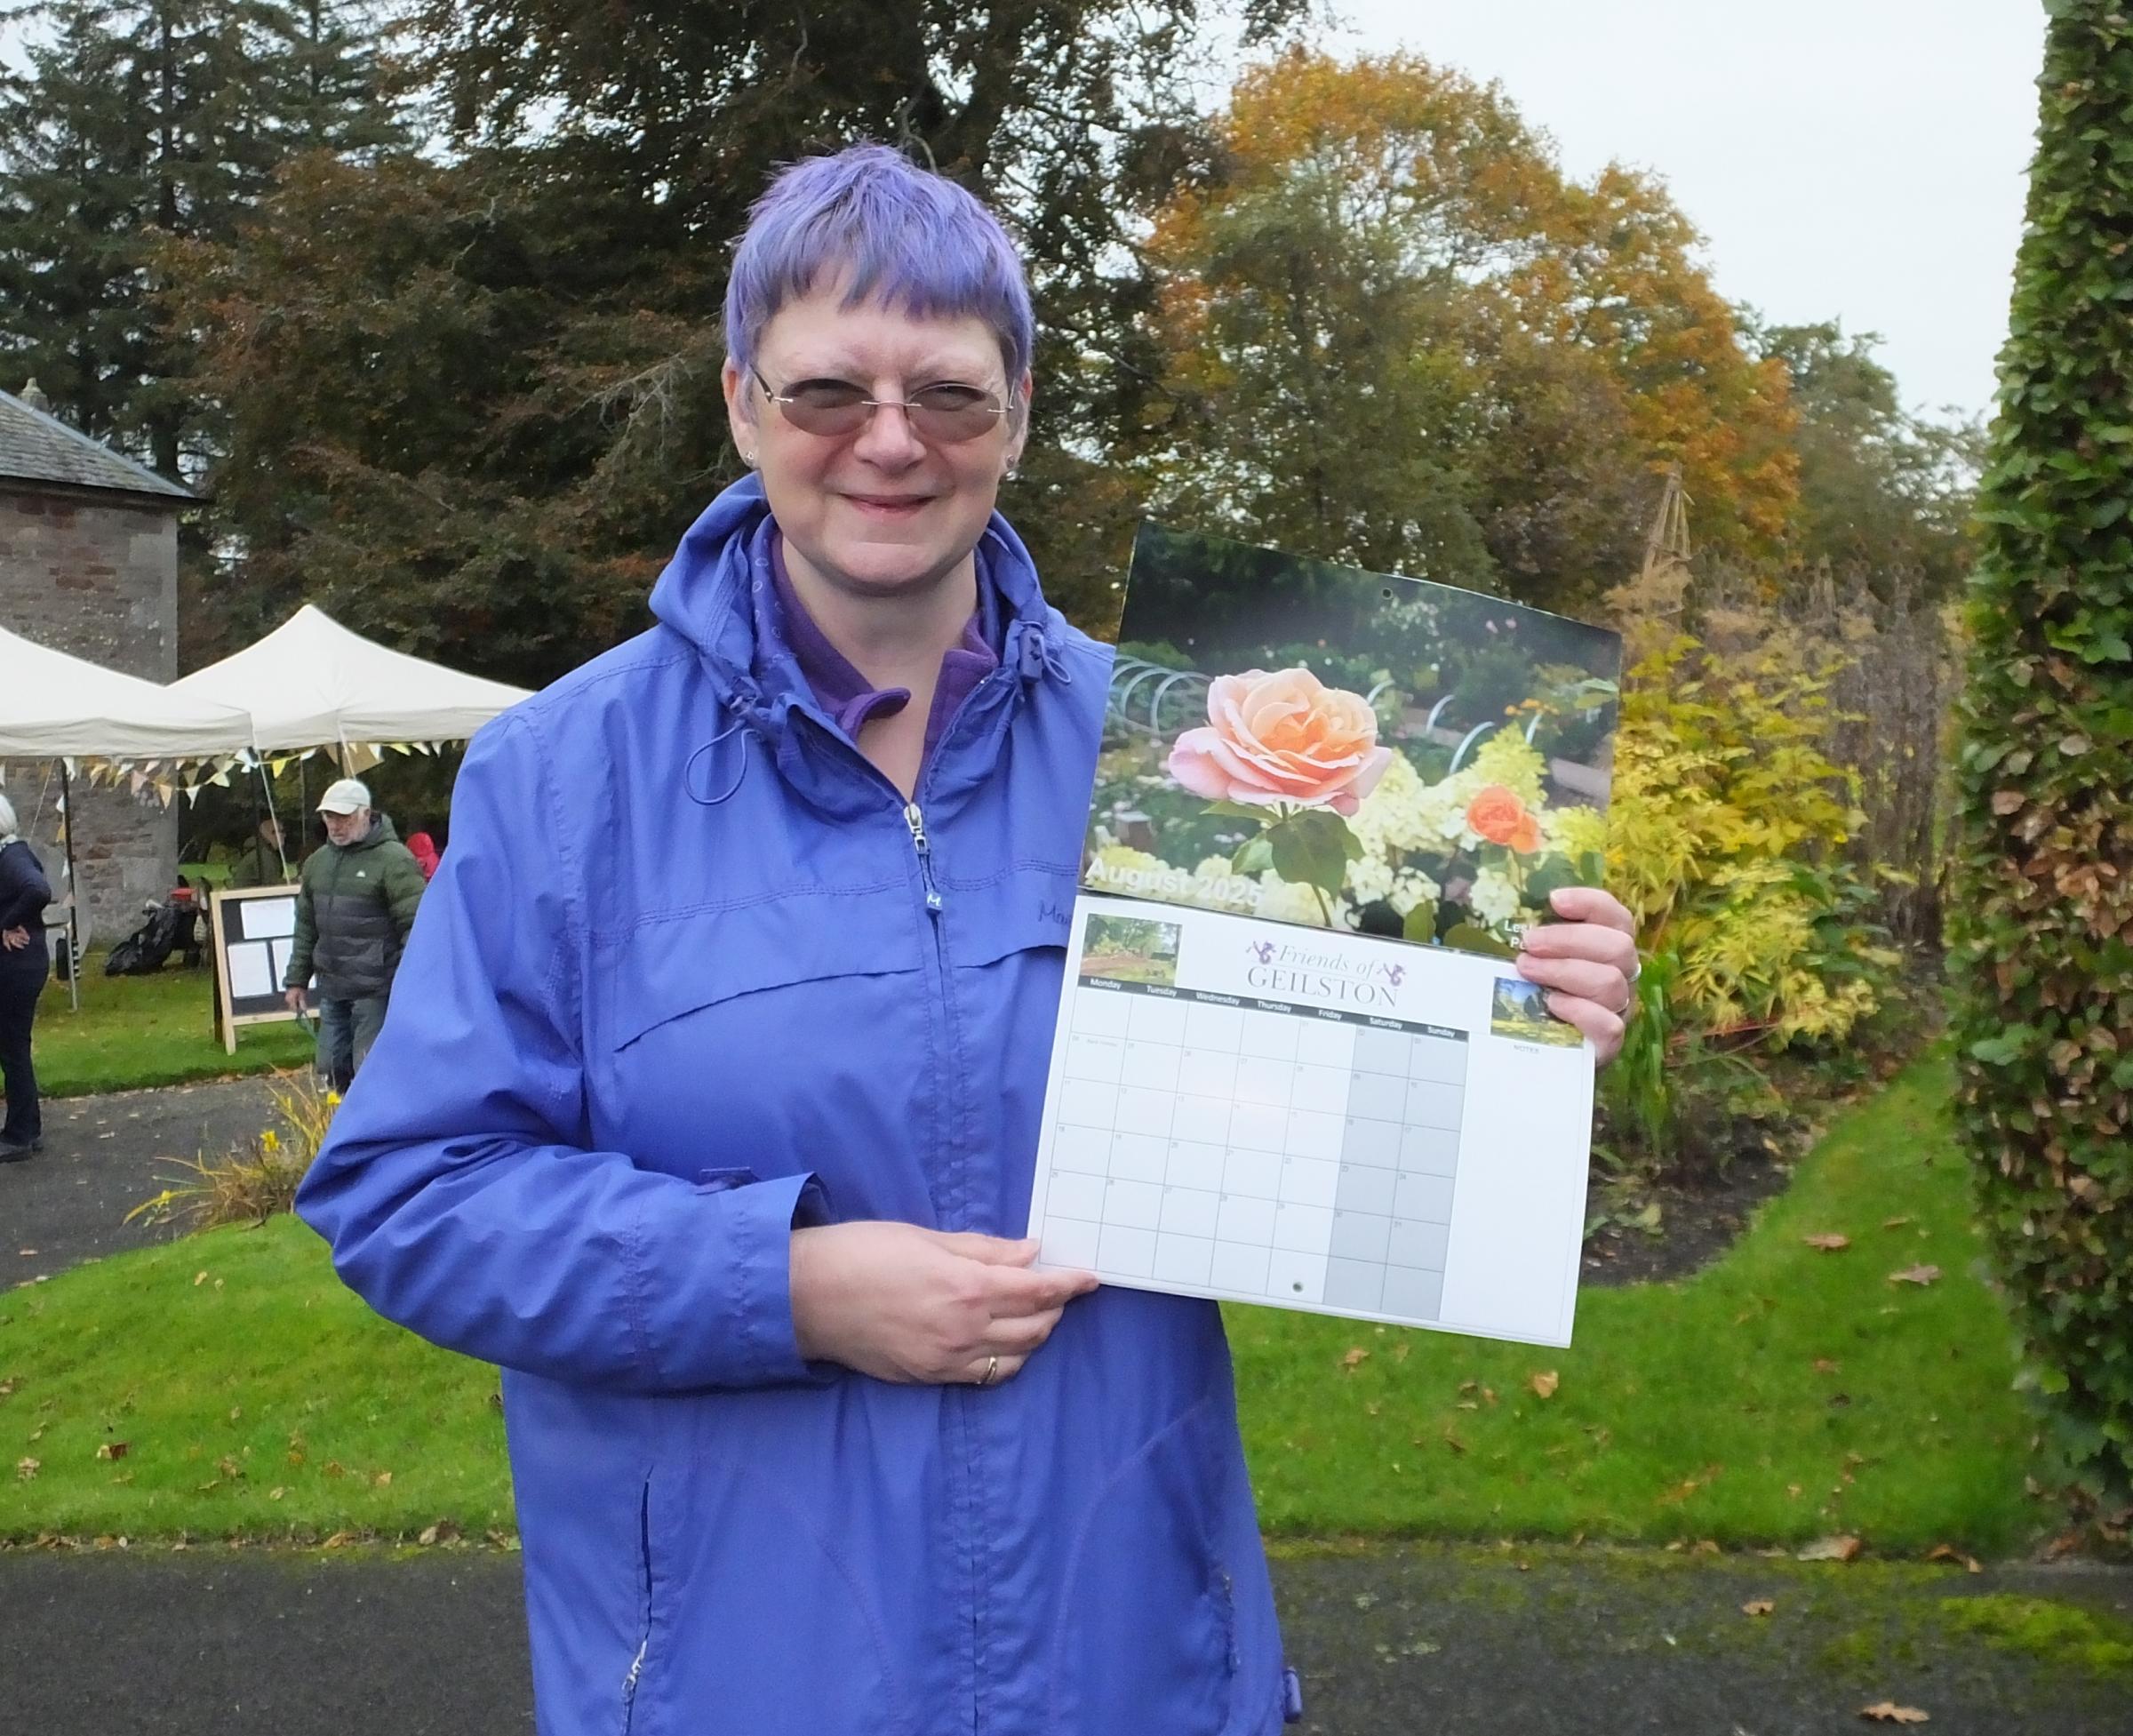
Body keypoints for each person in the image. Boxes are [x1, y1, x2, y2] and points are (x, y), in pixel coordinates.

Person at [296, 146, 1640, 1735]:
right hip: (740, 1675)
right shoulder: (563, 777)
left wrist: (1510, 1004)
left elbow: (1314, 1130)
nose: (888, 441)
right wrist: (783, 1285)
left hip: (1133, 1660)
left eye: (948, 393)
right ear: (741, 403)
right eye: (826, 392)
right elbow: (408, 1191)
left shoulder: (1175, 755)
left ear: (1015, 411)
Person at [283, 778, 426, 1091]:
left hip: (378, 989)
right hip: (333, 987)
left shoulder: (395, 859)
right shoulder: (317, 863)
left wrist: (408, 981)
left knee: (371, 1072)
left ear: (366, 813)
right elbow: (306, 926)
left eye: (344, 816)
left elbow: (417, 927)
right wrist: (296, 980)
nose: (335, 825)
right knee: (331, 1069)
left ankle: (381, 1135)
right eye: (329, 817)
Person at [0, 791, 53, 1162]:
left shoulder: (12, 857)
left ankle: (21, 1134)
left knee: (13, 1047)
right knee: (13, 1047)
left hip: (18, 963)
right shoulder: (9, 854)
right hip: (22, 961)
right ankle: (25, 1129)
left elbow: (38, 890)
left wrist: (6, 925)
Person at [226, 815, 292, 889]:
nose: (285, 835)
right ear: (271, 834)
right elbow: (272, 885)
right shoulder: (264, 856)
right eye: (282, 831)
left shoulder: (259, 852)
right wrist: (294, 882)